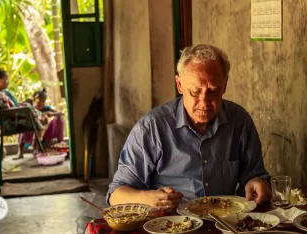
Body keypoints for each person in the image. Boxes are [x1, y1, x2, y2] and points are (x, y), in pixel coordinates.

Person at [107, 44, 271, 212]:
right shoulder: (152, 127)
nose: (204, 103)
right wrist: (150, 199)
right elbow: (116, 195)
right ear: (179, 85)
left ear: (225, 84)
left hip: (225, 223)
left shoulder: (239, 120)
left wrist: (257, 183)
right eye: (194, 92)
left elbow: (255, 175)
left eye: (213, 91)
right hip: (171, 225)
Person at [15, 88, 64, 159]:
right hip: (30, 133)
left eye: (43, 101)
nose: (41, 103)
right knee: (22, 121)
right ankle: (21, 151)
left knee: (59, 118)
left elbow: (61, 113)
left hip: (44, 133)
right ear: (34, 100)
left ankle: (60, 143)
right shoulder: (29, 108)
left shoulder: (46, 108)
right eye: (39, 101)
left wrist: (51, 114)